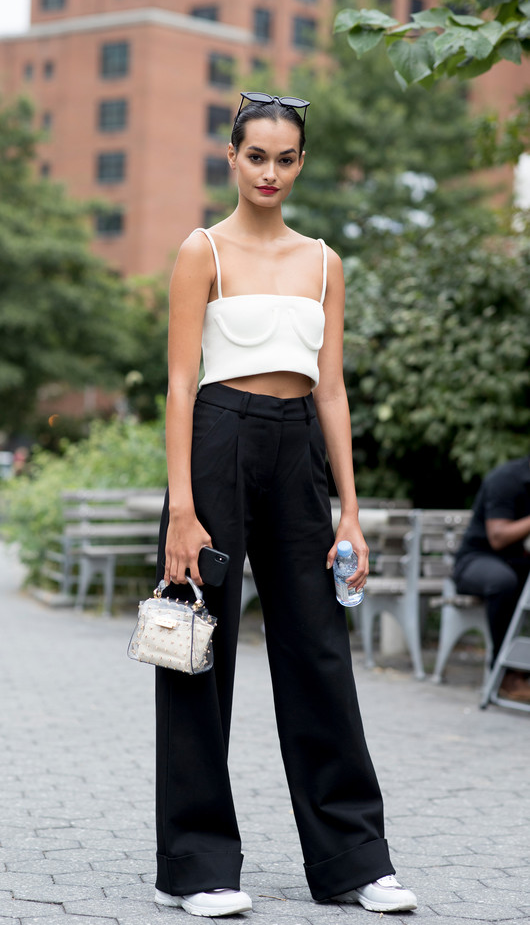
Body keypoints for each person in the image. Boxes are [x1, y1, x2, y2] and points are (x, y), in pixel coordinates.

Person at [152, 92, 417, 918]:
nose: (270, 171)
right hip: (219, 441)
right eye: (256, 155)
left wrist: (349, 509)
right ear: (231, 157)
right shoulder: (203, 251)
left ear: (301, 163)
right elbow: (179, 382)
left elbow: (332, 389)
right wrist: (184, 511)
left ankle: (352, 861)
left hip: (299, 444)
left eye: (286, 157)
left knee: (319, 655)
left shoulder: (326, 261)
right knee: (199, 651)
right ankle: (195, 866)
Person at [453, 455, 530, 700]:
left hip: (519, 563)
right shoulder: (506, 479)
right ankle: (505, 674)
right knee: (503, 582)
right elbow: (497, 536)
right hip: (477, 560)